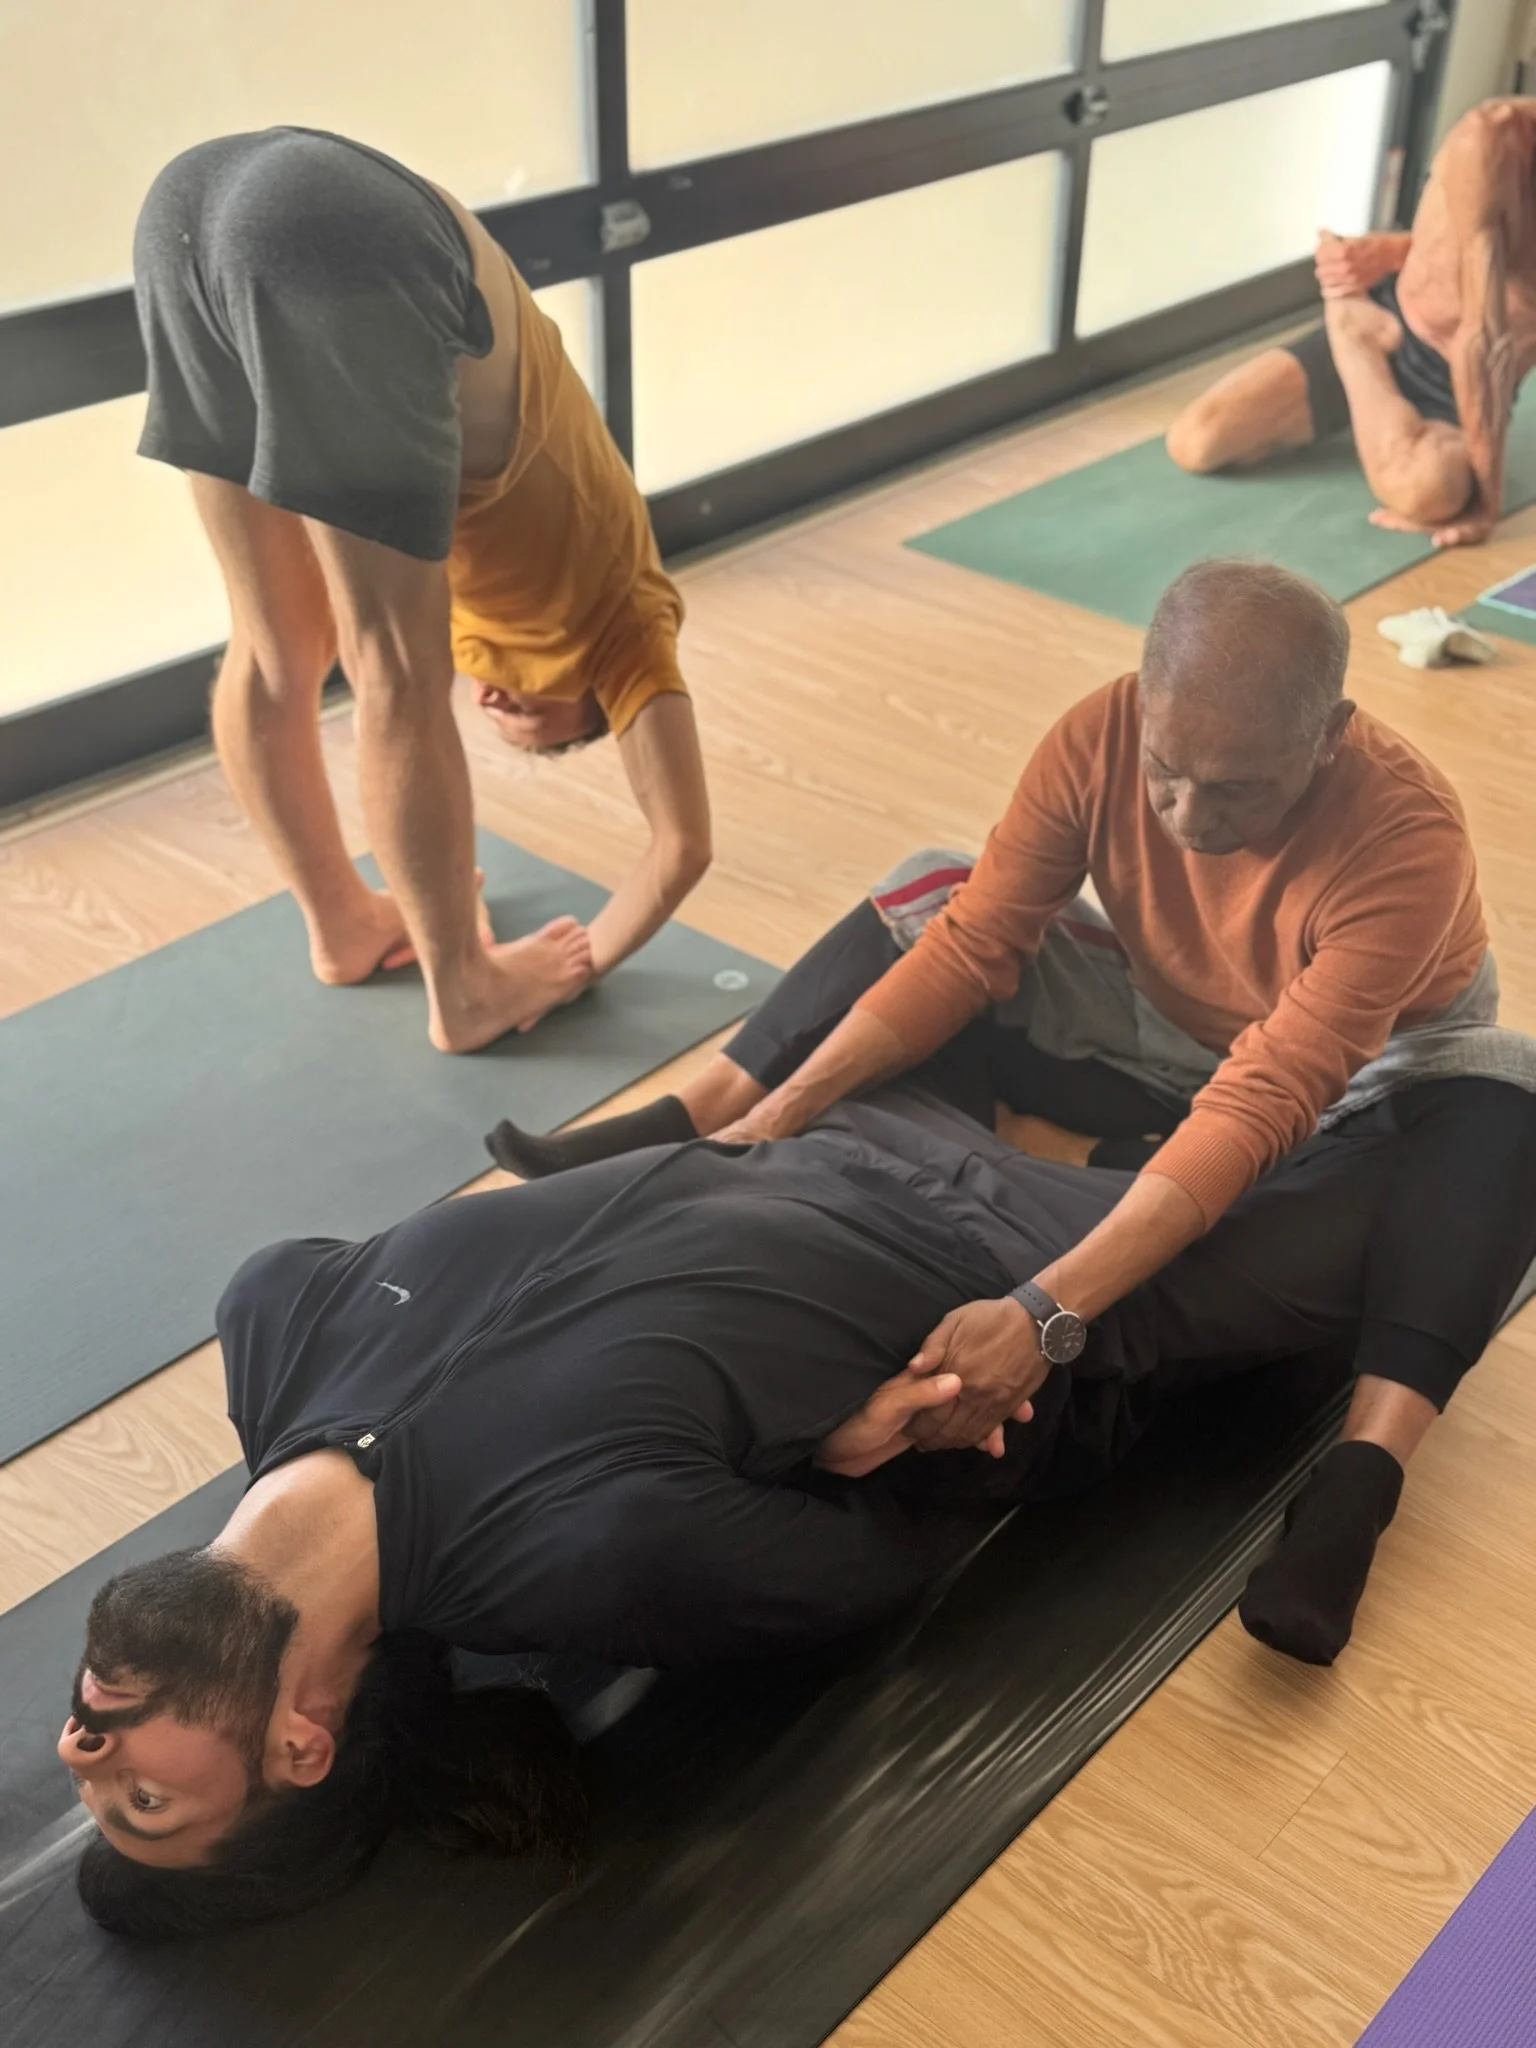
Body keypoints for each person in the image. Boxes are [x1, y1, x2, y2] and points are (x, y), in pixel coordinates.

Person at [57, 1073, 1478, 1936]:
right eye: (142, 1796)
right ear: (301, 1748)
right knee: (1497, 1108)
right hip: (1043, 1280)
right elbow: (903, 1544)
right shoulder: (591, 1562)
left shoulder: (274, 1323)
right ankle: (1367, 1456)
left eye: (88, 1776)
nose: (80, 1741)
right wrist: (857, 1437)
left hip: (834, 1114)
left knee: (939, 896)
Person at [491, 559, 1536, 1668]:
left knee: (1512, 1096)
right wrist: (784, 1111)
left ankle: (1363, 1472)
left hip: (1356, 1084)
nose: (1187, 817)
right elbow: (977, 940)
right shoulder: (1099, 733)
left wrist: (1044, 1313)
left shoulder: (1403, 837)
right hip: (1151, 1024)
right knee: (933, 882)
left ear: (1330, 734)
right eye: (1169, 773)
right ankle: (706, 1108)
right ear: (1144, 699)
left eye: (1236, 791)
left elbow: (1271, 1091)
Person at [134, 128, 711, 1051]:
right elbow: (682, 846)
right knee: (395, 670)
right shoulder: (629, 620)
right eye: (530, 716)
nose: (493, 700)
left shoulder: (495, 607)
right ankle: (467, 990)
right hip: (347, 225)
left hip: (191, 201)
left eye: (498, 716)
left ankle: (345, 926)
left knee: (276, 646)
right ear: (592, 693)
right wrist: (584, 960)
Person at [1164, 98, 1536, 548]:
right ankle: (1354, 340)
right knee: (1196, 440)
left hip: (1457, 384)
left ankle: (1360, 364)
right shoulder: (1490, 138)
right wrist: (1487, 503)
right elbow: (1483, 327)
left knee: (1428, 492)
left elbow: (1504, 298)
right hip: (1393, 321)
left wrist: (1390, 249)